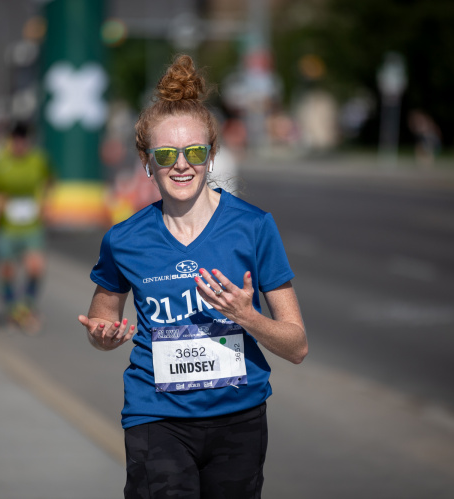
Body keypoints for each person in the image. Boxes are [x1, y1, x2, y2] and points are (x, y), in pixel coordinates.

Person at [77, 55, 308, 498]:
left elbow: (296, 346)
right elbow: (102, 318)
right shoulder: (124, 239)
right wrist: (102, 336)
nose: (181, 165)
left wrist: (248, 317)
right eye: (166, 154)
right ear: (147, 160)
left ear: (212, 155)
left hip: (238, 418)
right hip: (156, 415)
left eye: (195, 152)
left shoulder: (254, 227)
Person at [0, 122, 54, 333]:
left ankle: (27, 306)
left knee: (36, 266)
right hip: (7, 226)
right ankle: (12, 307)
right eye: (16, 140)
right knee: (7, 271)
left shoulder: (38, 159)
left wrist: (45, 202)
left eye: (24, 140)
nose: (20, 145)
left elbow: (49, 180)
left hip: (31, 224)